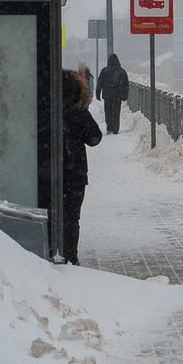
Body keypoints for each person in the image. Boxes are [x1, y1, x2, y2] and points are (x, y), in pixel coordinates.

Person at [62, 69, 103, 266]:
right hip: (74, 174)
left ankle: (50, 252)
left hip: (44, 174)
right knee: (71, 218)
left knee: (49, 214)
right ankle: (70, 257)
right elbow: (94, 138)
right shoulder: (77, 112)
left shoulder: (43, 110)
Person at [96, 54, 129, 135]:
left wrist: (98, 93)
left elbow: (100, 83)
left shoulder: (104, 71)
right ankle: (115, 128)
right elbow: (126, 85)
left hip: (107, 95)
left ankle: (109, 128)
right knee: (116, 112)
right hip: (117, 95)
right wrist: (125, 96)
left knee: (108, 111)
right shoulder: (122, 71)